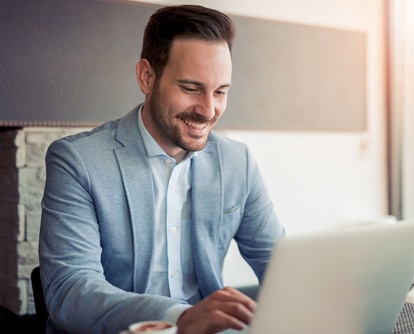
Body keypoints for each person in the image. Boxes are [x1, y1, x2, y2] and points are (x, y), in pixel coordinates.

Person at [38, 5, 284, 334]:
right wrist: (179, 317)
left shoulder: (237, 162)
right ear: (147, 77)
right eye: (190, 89)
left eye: (220, 92)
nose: (208, 110)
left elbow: (281, 267)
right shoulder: (78, 161)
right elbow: (69, 292)